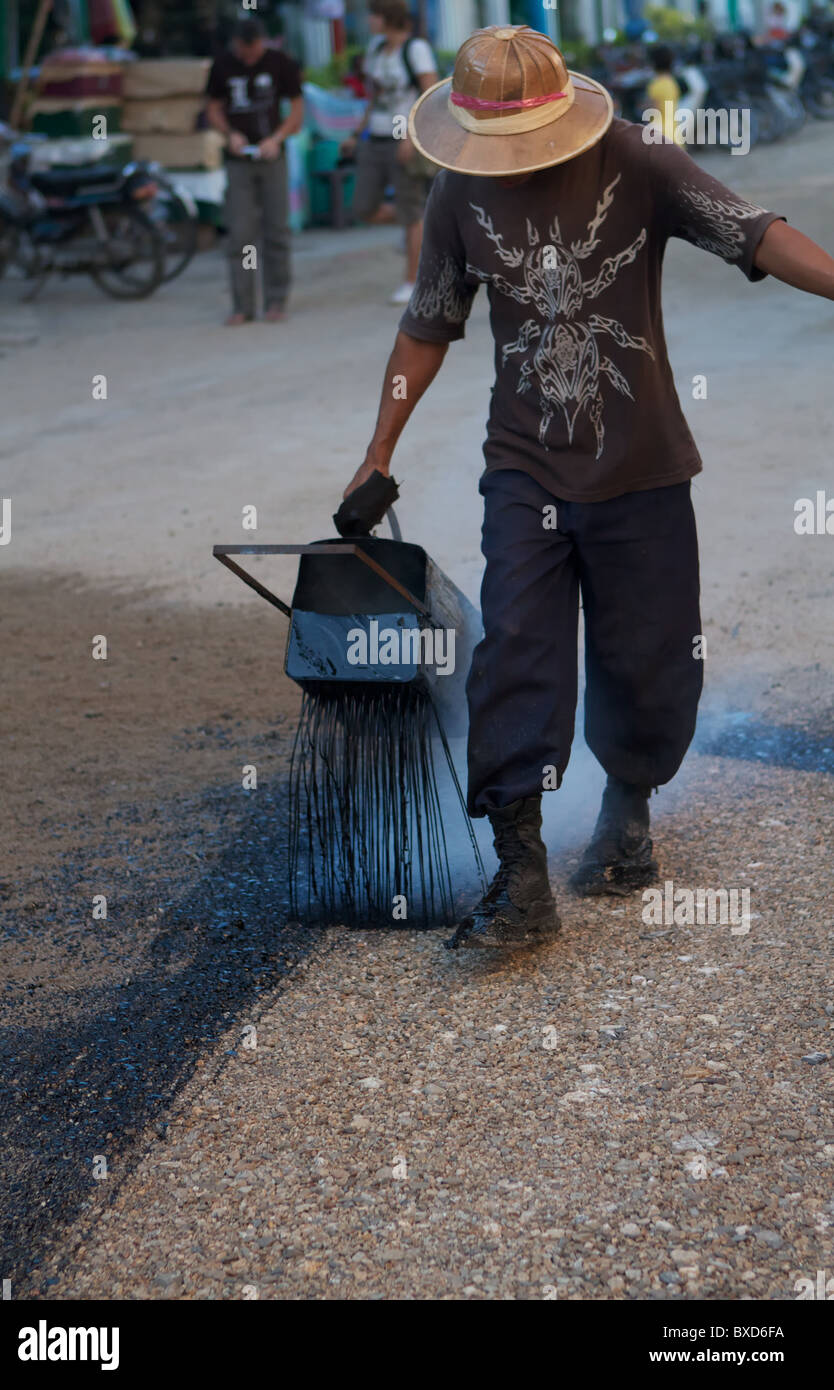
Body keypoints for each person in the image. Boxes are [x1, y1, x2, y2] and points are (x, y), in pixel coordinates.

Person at [341, 25, 834, 950]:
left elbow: (753, 233)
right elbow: (426, 325)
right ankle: (520, 872)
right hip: (524, 465)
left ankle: (627, 806)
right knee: (517, 644)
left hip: (641, 462)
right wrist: (378, 452)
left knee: (645, 653)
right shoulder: (456, 189)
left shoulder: (637, 159)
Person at [206, 18, 304, 325]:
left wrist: (277, 138)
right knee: (240, 233)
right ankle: (243, 304)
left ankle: (276, 300)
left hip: (272, 157)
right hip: (238, 161)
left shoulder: (280, 63)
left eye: (254, 48)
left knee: (276, 230)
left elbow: (297, 108)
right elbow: (212, 107)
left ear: (263, 41)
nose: (249, 55)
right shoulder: (221, 65)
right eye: (243, 50)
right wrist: (228, 134)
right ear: (235, 44)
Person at [341, 0, 439, 304]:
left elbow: (430, 94)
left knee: (412, 210)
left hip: (403, 136)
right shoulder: (375, 50)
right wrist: (358, 133)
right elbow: (375, 96)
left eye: (373, 14)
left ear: (387, 17)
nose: (369, 20)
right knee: (363, 207)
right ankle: (429, 226)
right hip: (377, 135)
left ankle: (413, 280)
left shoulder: (415, 50)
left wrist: (412, 136)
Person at [646, 45, 685, 145]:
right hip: (675, 136)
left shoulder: (655, 85)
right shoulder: (672, 82)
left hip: (661, 139)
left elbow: (654, 111)